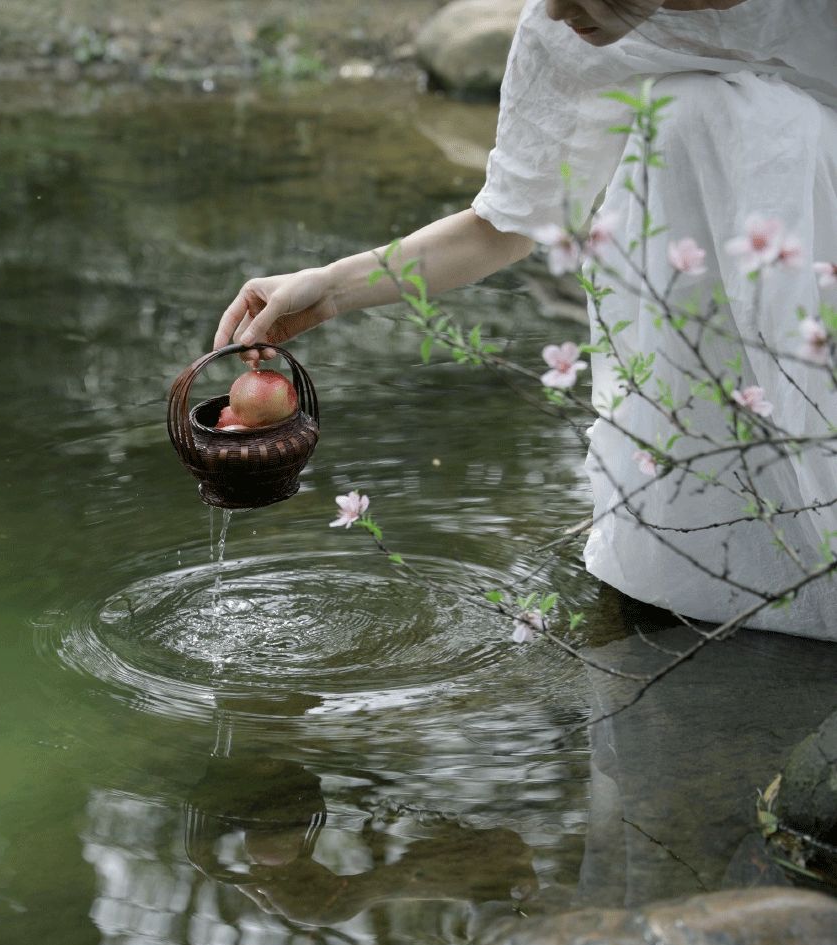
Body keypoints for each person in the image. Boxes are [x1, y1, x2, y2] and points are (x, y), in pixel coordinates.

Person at [214, 0, 837, 640]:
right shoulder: (563, 32)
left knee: (740, 117)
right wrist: (331, 290)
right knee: (687, 120)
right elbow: (506, 225)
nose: (557, 9)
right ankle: (721, 544)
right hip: (720, 321)